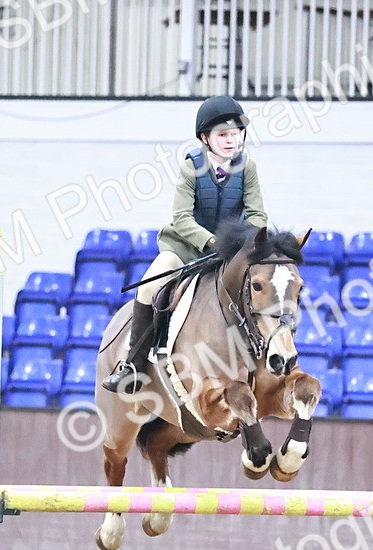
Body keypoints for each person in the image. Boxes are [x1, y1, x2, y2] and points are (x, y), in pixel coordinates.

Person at [101, 95, 269, 394]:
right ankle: (134, 366)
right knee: (148, 288)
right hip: (185, 248)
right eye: (222, 135)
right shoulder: (191, 167)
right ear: (206, 138)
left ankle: (267, 356)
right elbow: (181, 217)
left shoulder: (249, 168)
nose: (231, 141)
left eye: (235, 134)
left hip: (229, 253)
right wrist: (212, 242)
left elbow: (256, 213)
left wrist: (243, 242)